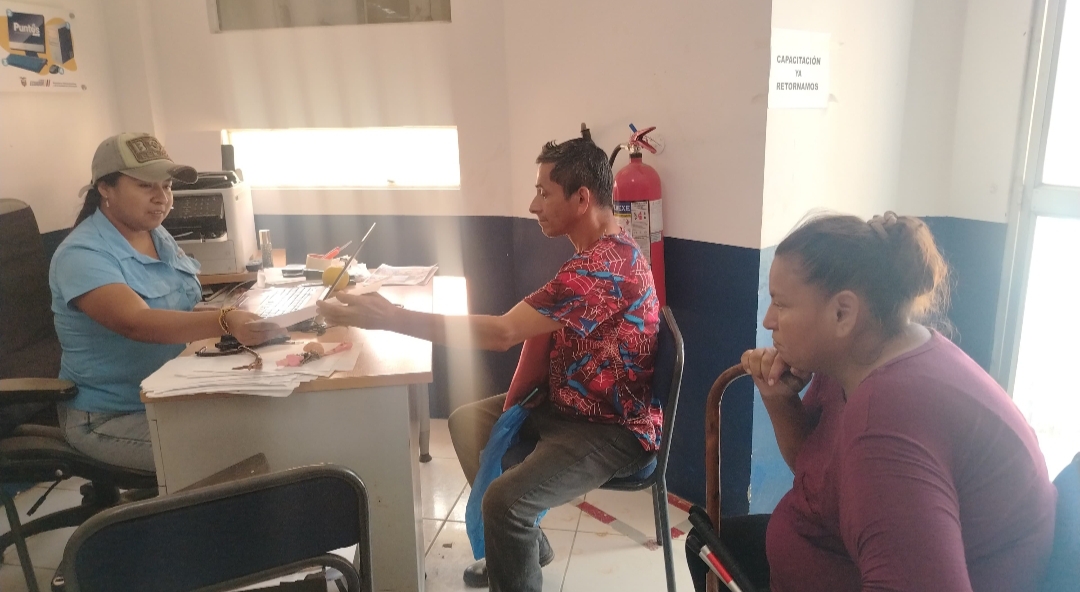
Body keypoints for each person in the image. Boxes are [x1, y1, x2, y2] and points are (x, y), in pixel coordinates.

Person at [317, 137, 660, 592]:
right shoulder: (600, 251)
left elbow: (502, 333)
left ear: (581, 199)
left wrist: (393, 317)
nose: (533, 205)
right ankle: (523, 547)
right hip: (569, 404)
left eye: (544, 193)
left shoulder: (603, 268)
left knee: (504, 503)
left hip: (611, 428)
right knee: (467, 424)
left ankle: (513, 540)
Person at [687, 212, 1056, 592]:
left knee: (713, 550)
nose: (768, 320)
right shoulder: (861, 355)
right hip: (836, 547)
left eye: (781, 304)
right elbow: (819, 474)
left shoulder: (888, 420)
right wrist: (780, 400)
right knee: (709, 545)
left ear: (843, 313)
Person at [50, 133, 284, 473]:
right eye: (146, 186)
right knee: (245, 450)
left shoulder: (155, 235)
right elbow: (136, 322)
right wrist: (223, 319)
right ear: (105, 188)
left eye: (167, 186)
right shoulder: (81, 254)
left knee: (271, 420)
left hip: (170, 394)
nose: (162, 198)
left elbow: (180, 308)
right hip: (111, 417)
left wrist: (241, 313)